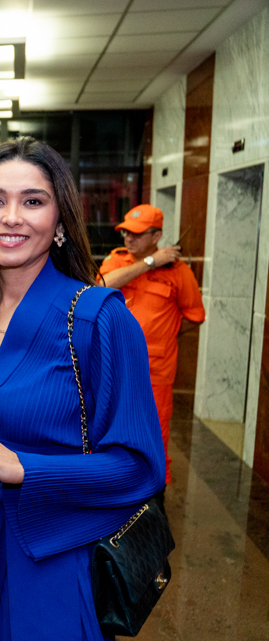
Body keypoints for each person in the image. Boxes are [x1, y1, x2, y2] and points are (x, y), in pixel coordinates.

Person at [0, 137, 165, 640]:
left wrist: (26, 467)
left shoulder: (98, 320)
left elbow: (140, 467)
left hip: (49, 559)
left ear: (59, 221)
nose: (11, 217)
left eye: (33, 201)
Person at [98, 204, 205, 486]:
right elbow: (101, 286)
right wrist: (150, 263)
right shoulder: (116, 260)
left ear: (156, 236)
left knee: (155, 433)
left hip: (154, 369)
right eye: (125, 233)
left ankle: (154, 496)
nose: (127, 240)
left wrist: (164, 335)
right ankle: (112, 486)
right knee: (108, 427)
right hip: (110, 365)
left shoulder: (180, 273)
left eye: (136, 234)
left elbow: (195, 317)